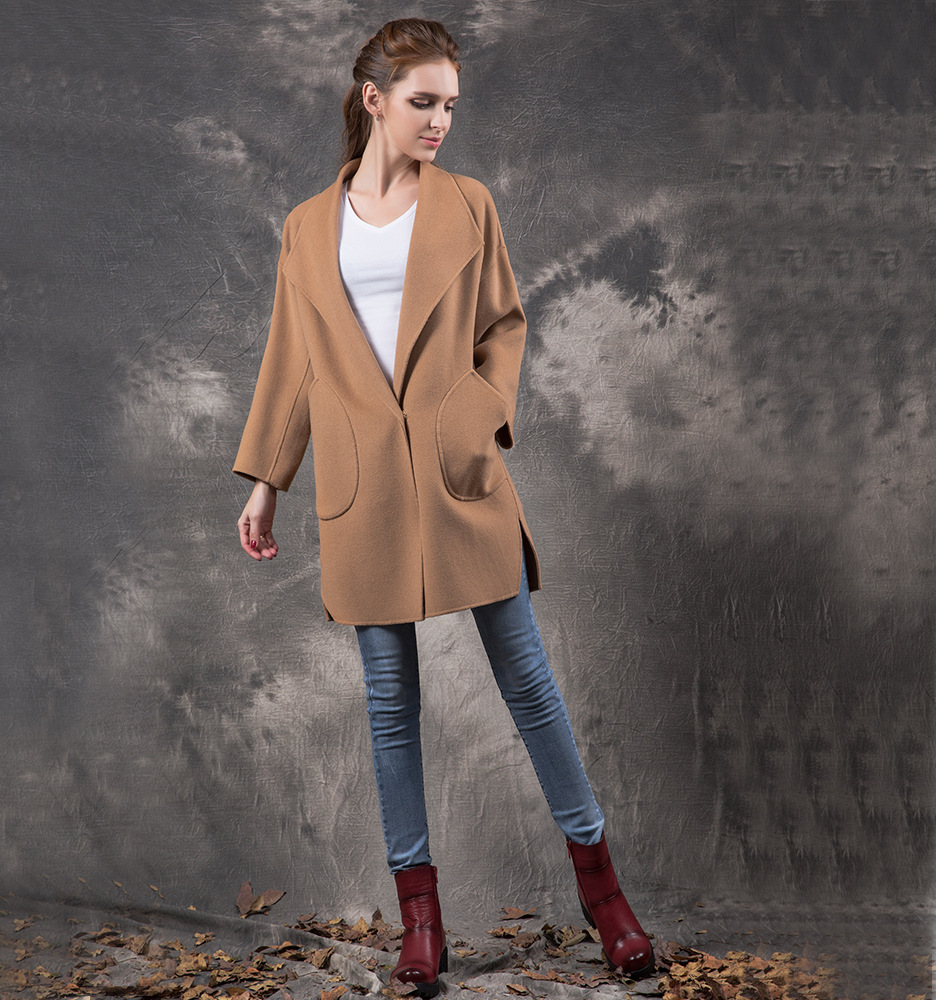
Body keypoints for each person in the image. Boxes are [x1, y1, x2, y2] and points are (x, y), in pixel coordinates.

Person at [234, 18, 654, 993]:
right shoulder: (307, 226)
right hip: (361, 487)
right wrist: (266, 483)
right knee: (391, 704)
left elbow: (504, 324)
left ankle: (606, 899)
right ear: (373, 98)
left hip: (460, 473)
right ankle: (419, 925)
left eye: (451, 106)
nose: (439, 122)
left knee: (528, 684)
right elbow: (292, 363)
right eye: (423, 102)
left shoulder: (468, 204)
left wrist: (477, 413)